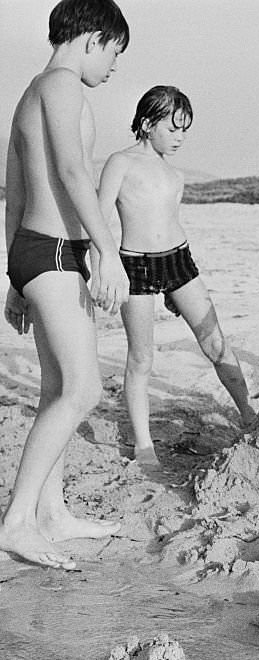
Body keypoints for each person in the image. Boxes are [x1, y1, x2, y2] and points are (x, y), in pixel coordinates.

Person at [1, 0, 130, 570]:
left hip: (39, 252)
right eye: (114, 53)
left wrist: (15, 277)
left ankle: (51, 513)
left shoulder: (31, 91)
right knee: (83, 389)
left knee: (57, 389)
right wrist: (108, 250)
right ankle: (17, 523)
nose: (114, 67)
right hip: (54, 253)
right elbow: (74, 172)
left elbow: (15, 192)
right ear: (93, 38)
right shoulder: (60, 85)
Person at [97, 86, 256, 464]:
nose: (180, 137)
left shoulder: (175, 174)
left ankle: (248, 414)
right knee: (141, 358)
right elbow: (98, 217)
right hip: (135, 265)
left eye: (185, 130)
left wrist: (173, 289)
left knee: (216, 344)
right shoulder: (120, 162)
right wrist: (103, 265)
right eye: (173, 128)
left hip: (179, 262)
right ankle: (144, 445)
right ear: (147, 123)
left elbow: (169, 221)